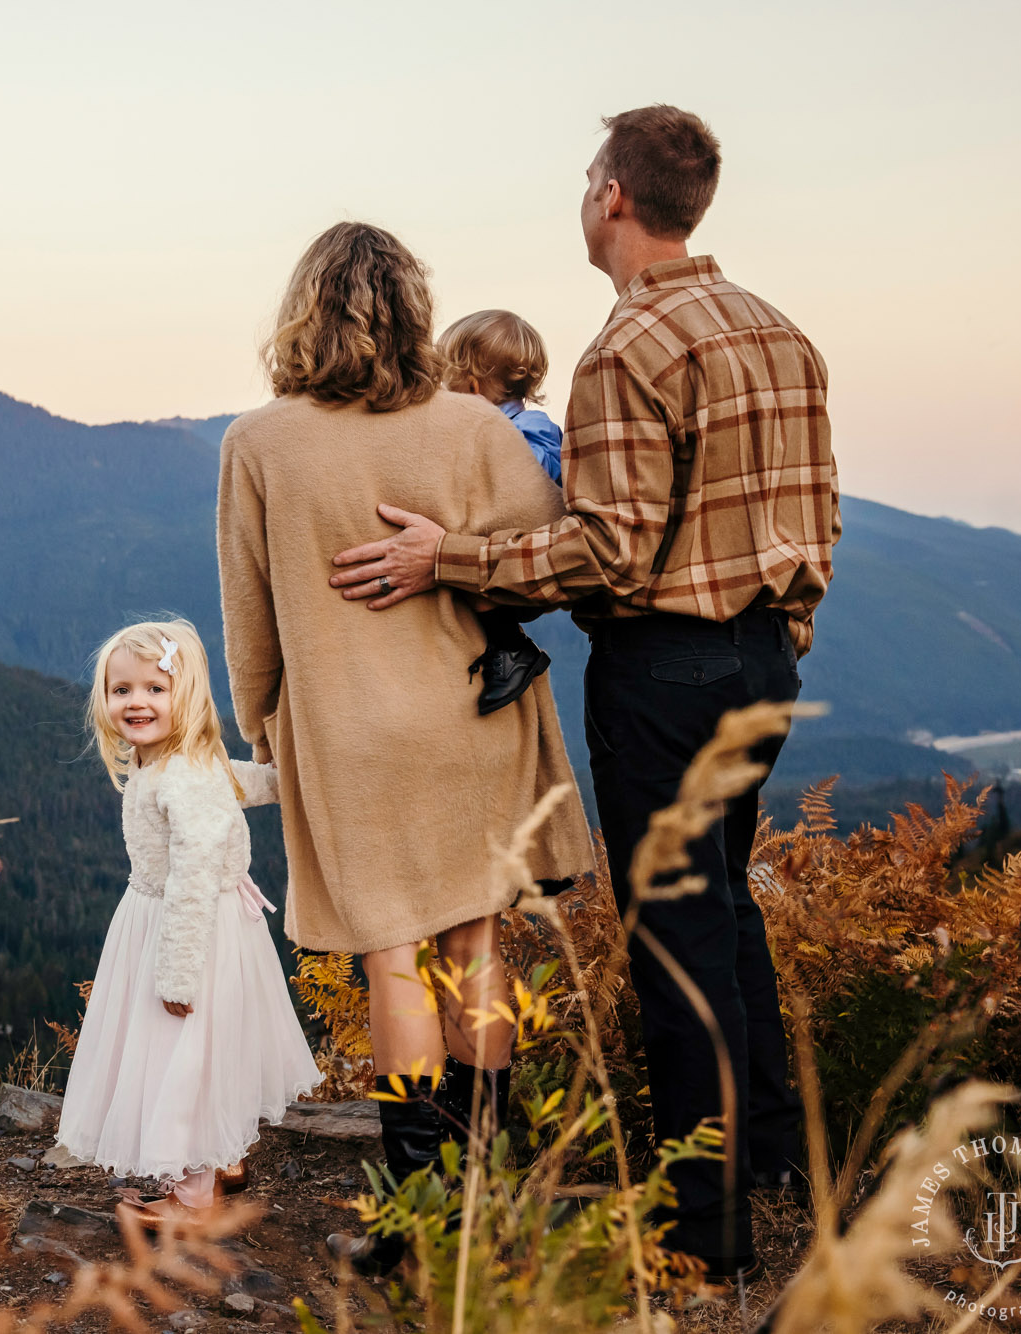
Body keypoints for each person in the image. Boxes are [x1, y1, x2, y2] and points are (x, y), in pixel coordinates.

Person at [328, 106, 839, 1284]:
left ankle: (699, 1230)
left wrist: (442, 559)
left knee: (673, 937)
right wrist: (783, 636)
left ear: (611, 195)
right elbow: (816, 515)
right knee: (724, 908)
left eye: (583, 178)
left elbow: (603, 551)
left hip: (665, 666)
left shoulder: (629, 347)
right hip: (762, 658)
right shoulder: (778, 330)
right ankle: (769, 1160)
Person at [215, 222, 594, 1275]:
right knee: (476, 947)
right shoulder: (473, 423)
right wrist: (448, 565)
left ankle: (411, 1208)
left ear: (302, 311)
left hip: (346, 729)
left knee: (392, 961)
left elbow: (248, 616)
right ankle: (488, 1191)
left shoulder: (257, 441)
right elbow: (539, 567)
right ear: (413, 310)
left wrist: (263, 722)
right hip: (470, 713)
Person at [53, 619, 321, 1225]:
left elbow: (195, 877)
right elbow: (243, 782)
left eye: (155, 688)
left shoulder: (183, 775)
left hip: (188, 930)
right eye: (122, 690)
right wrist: (281, 779)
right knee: (210, 1046)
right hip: (175, 919)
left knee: (186, 1055)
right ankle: (225, 1159)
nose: (136, 702)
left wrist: (178, 975)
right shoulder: (181, 763)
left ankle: (194, 1200)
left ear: (188, 697)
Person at [438, 309, 564, 714]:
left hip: (521, 548)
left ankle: (512, 647)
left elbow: (532, 478)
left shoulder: (531, 426)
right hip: (505, 549)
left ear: (471, 388)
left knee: (455, 555)